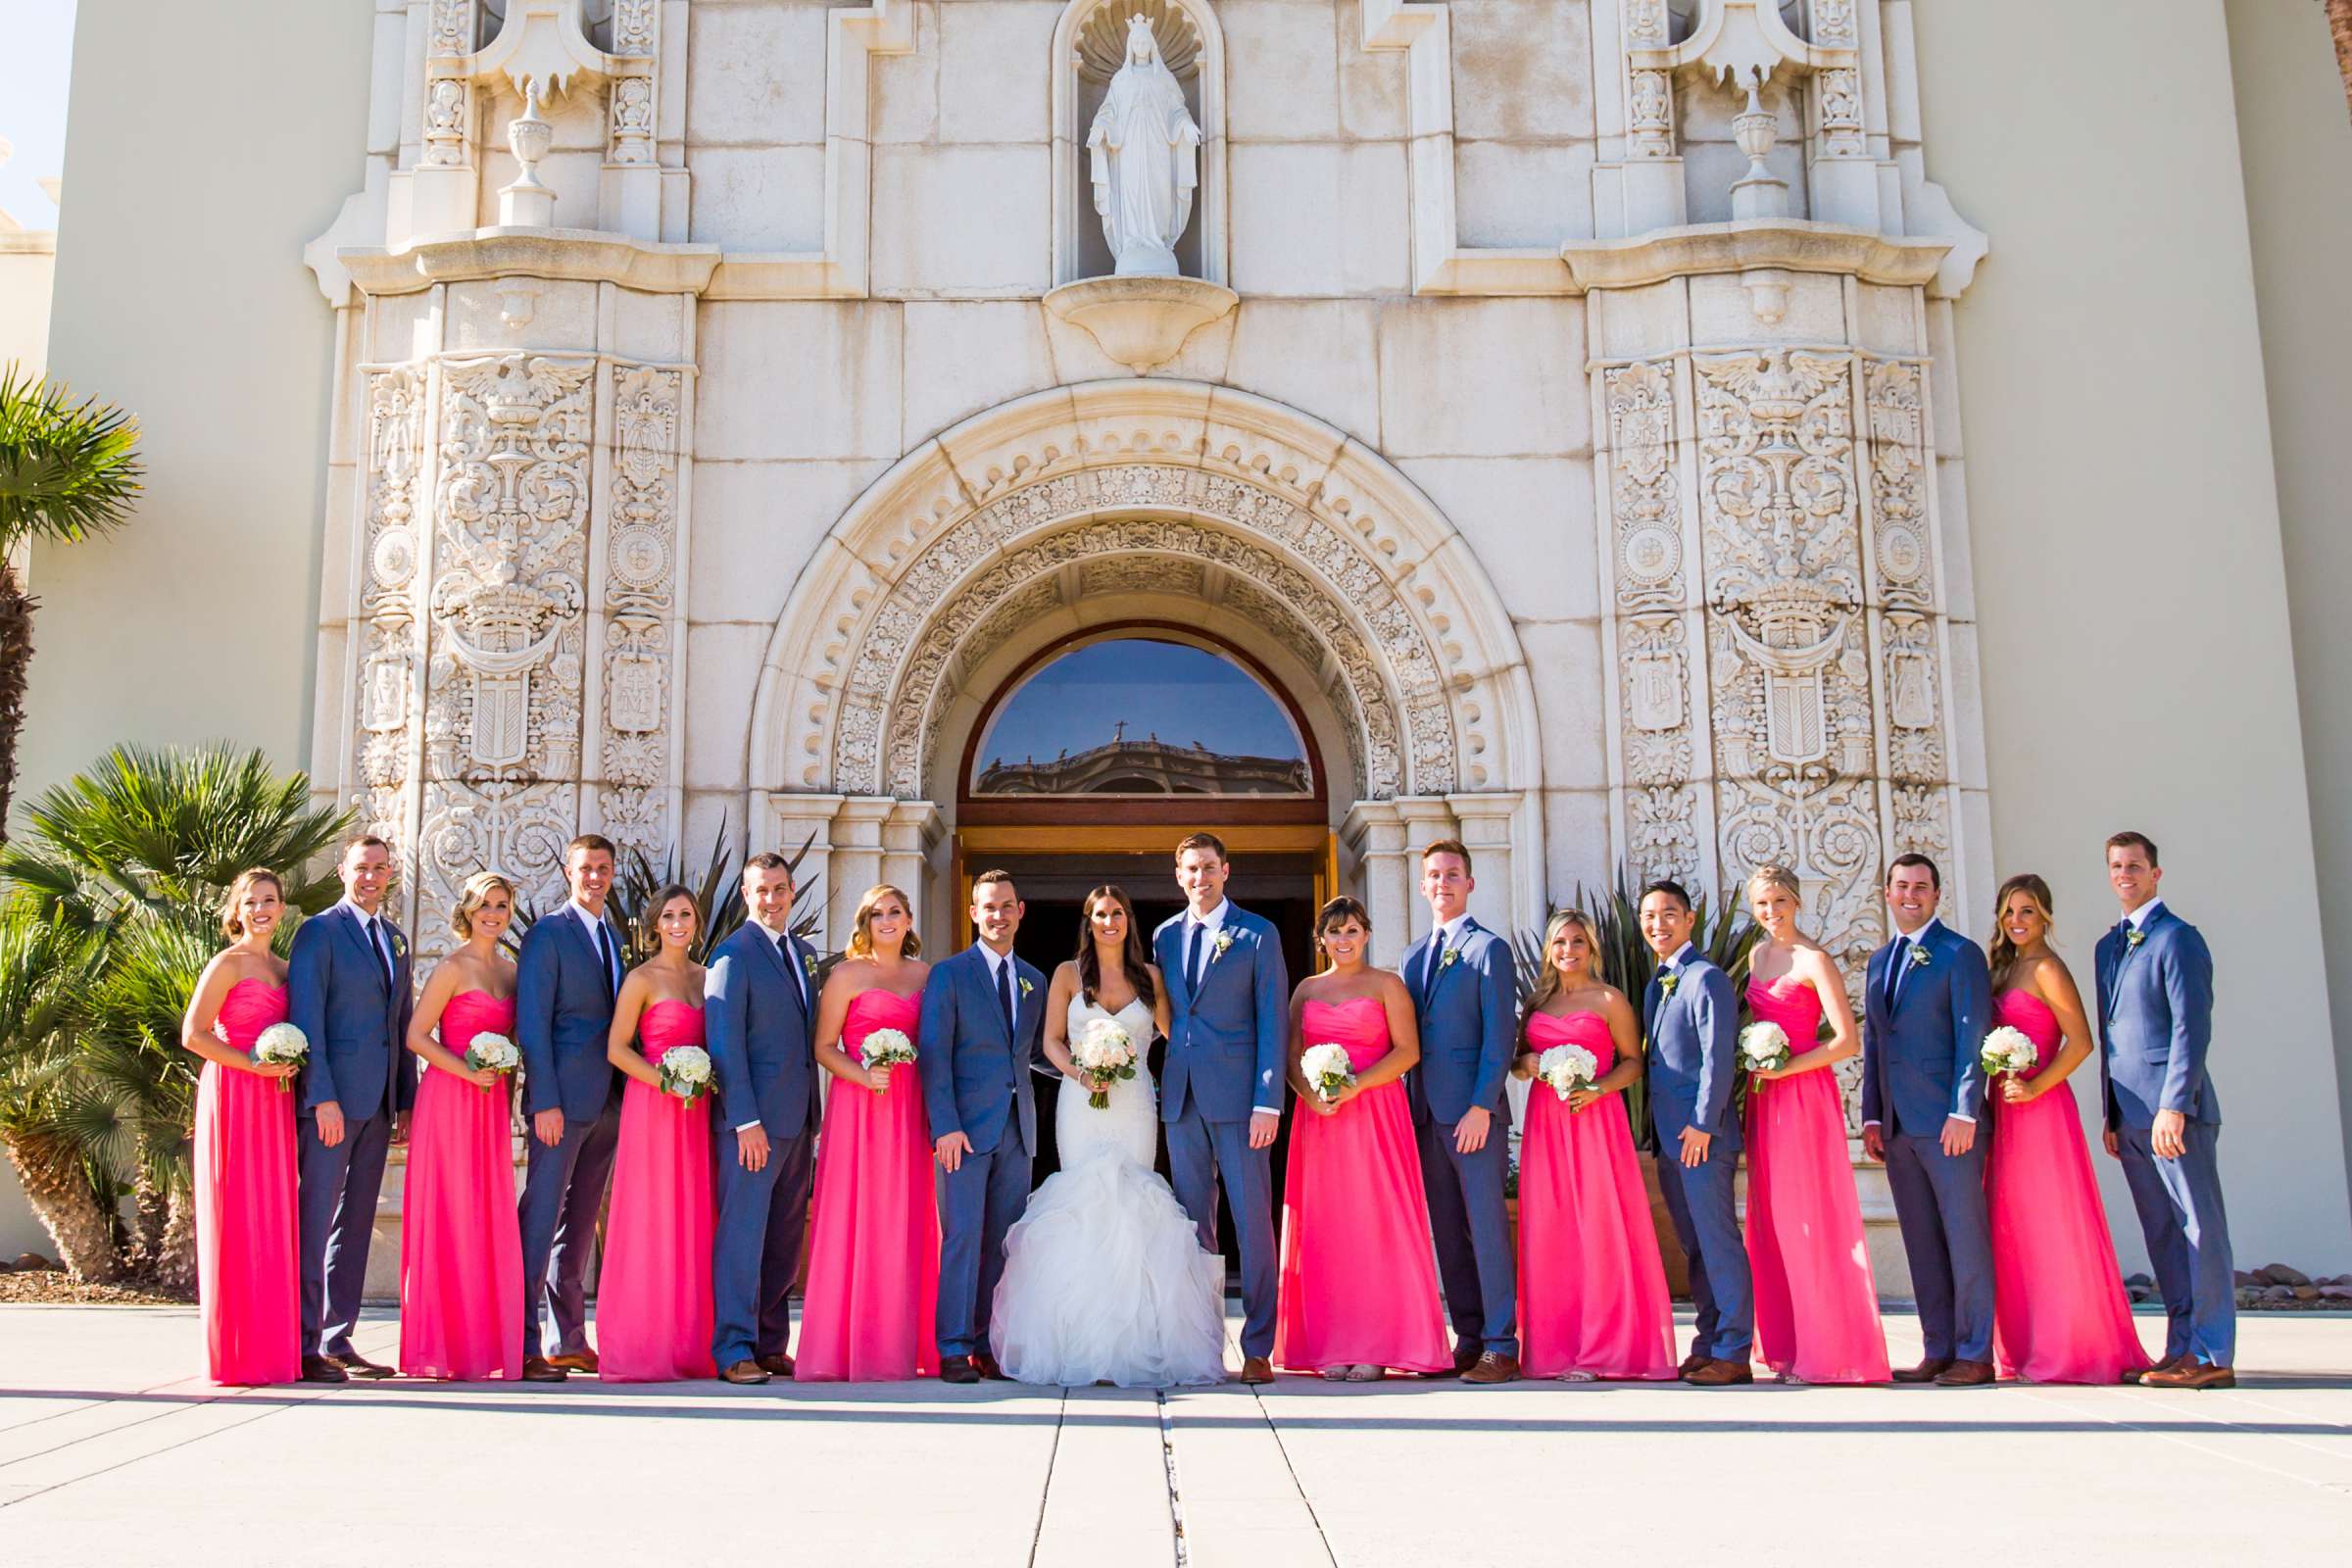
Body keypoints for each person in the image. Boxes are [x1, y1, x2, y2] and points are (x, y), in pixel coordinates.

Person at [991, 885, 1226, 1388]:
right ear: (1088, 920)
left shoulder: (1151, 977)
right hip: (1081, 1104)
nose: (1109, 921)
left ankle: (1138, 1341)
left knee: (1133, 1203)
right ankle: (1078, 1339)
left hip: (1135, 1102)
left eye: (1118, 912)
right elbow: (1051, 1041)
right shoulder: (1067, 975)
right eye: (1100, 913)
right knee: (1084, 1204)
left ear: (1128, 920)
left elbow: (1172, 1032)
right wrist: (1081, 1072)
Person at [1984, 872, 2150, 1385]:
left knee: (2050, 1223)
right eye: (2009, 912)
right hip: (2006, 1108)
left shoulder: (2048, 969)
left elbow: (2079, 1042)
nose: (2016, 921)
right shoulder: (2003, 969)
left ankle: (2071, 1345)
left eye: (2027, 911)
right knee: (2012, 1228)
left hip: (2041, 1110)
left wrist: (2034, 1088)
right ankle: (2027, 1343)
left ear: (2045, 917)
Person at [1274, 898, 1448, 1381]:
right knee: (1328, 1227)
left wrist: (1357, 1084)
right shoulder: (1305, 991)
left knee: (1377, 1223)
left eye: (1351, 930)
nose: (1343, 940)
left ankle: (1379, 1341)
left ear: (1366, 934)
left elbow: (1408, 1051)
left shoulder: (1388, 985)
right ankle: (1331, 1343)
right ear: (1321, 940)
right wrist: (1310, 1094)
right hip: (1322, 1122)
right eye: (1333, 933)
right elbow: (1291, 1056)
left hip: (1375, 1114)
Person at [1511, 908, 1675, 1382]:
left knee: (1598, 1229)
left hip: (1594, 1124)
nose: (1568, 951)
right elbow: (1519, 1060)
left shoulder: (1609, 1000)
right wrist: (1531, 1064)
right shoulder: (1536, 1003)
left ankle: (1603, 1348)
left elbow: (1633, 1062)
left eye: (1578, 942)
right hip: (1546, 1127)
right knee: (1551, 1230)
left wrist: (1600, 1088)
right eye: (1560, 942)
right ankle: (1554, 1350)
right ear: (1549, 949)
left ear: (1592, 948)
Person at [2095, 832, 2234, 1389]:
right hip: (2128, 1116)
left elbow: (2191, 1028)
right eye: (2115, 866)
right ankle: (2180, 1348)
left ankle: (2212, 1353)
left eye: (2134, 865)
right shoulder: (2109, 946)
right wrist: (2110, 1114)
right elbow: (2113, 1036)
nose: (2124, 874)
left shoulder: (2178, 938)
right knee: (2162, 1234)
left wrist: (2174, 1105)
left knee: (2199, 1229)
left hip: (2174, 1114)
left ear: (2155, 874)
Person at [1741, 865, 1890, 1386]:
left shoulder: (1814, 960)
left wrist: (1787, 1067)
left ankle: (1825, 1347)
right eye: (1762, 903)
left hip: (1803, 1098)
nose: (1771, 911)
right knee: (1774, 1220)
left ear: (1796, 902)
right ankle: (1785, 1343)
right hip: (1764, 1101)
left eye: (1780, 900)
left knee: (1808, 1216)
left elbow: (1847, 1042)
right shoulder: (1757, 957)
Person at [1152, 833, 1289, 1386]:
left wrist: (1268, 1100)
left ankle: (1258, 1345)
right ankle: (1202, 1340)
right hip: (1181, 1097)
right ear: (1178, 874)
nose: (1199, 877)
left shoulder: (1257, 934)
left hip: (1240, 1100)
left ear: (1226, 871)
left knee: (1251, 1221)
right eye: (1190, 869)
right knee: (1193, 1224)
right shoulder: (1163, 936)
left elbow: (1272, 1021)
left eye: (1208, 867)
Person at [1861, 853, 1996, 1387]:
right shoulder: (1879, 961)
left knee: (1964, 1238)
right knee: (1921, 1240)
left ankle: (1975, 1351)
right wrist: (1873, 1115)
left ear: (1937, 895)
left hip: (1949, 1124)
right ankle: (1938, 1347)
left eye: (1921, 886)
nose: (1910, 895)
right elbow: (1876, 1042)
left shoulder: (1958, 954)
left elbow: (1973, 1034)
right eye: (1901, 886)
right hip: (1896, 1128)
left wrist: (1965, 1108)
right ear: (1888, 893)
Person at [286, 835, 415, 1383]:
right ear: (343, 870)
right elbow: (307, 1018)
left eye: (381, 868)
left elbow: (401, 1024)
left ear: (391, 875)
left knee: (356, 1223)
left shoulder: (395, 938)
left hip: (379, 1105)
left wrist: (404, 1100)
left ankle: (340, 1337)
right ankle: (301, 1340)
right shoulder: (319, 933)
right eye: (362, 867)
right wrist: (322, 1098)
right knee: (315, 1220)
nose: (371, 877)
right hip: (333, 1105)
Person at [799, 884, 939, 1383]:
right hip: (860, 1108)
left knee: (904, 1214)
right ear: (865, 921)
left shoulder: (927, 975)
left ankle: (901, 1342)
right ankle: (846, 1343)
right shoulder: (847, 975)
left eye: (895, 911)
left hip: (908, 1107)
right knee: (856, 1214)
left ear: (907, 920)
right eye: (877, 913)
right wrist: (862, 1074)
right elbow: (823, 1045)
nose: (886, 920)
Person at [919, 869, 1049, 1384]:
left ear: (1020, 912)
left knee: (1001, 1241)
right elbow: (935, 1054)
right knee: (962, 1238)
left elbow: (1035, 1054)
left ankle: (986, 1343)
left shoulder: (1033, 980)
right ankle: (952, 1345)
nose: (998, 915)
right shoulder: (949, 975)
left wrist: (1091, 1067)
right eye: (988, 907)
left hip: (1019, 1132)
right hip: (964, 1133)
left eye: (1007, 906)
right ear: (973, 913)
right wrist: (944, 1126)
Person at [1398, 840, 1520, 1383]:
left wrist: (1481, 1106)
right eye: (1433, 876)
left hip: (1473, 1116)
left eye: (1452, 875)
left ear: (1470, 884)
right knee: (1447, 1231)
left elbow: (1500, 1036)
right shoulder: (1412, 955)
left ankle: (1502, 1344)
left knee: (1486, 1228)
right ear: (1422, 886)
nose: (1442, 884)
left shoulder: (1488, 950)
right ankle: (1468, 1339)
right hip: (1425, 1113)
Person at [397, 871, 525, 1382]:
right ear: (468, 910)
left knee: (483, 1212)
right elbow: (416, 1036)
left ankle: (482, 1341)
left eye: (502, 904)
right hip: (449, 1100)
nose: (493, 913)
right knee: (449, 1210)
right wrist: (466, 1070)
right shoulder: (451, 967)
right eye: (485, 904)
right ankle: (443, 1345)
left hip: (490, 1104)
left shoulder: (513, 973)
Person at [705, 852, 825, 1385]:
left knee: (781, 1237)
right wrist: (744, 1120)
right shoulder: (732, 955)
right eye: (761, 891)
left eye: (779, 889)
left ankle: (772, 1342)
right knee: (743, 1235)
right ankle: (734, 1347)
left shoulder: (803, 953)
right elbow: (725, 1045)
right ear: (746, 895)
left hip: (798, 1119)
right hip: (753, 1126)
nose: (771, 900)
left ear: (792, 890)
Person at [181, 868, 302, 1386]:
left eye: (270, 900)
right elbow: (193, 1034)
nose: (261, 909)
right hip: (233, 1093)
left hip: (274, 1100)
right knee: (236, 1214)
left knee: (271, 1213)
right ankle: (234, 1352)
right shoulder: (226, 964)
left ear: (282, 907)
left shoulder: (285, 967)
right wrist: (251, 1065)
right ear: (237, 910)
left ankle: (272, 1350)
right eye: (251, 901)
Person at [514, 834, 626, 1383]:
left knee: (579, 1226)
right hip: (561, 1105)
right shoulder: (547, 935)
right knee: (539, 1221)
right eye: (585, 868)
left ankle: (568, 1340)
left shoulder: (613, 935)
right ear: (568, 870)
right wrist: (546, 1101)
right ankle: (521, 1339)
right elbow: (532, 1023)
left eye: (602, 868)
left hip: (608, 1102)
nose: (594, 877)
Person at [599, 885, 718, 1383]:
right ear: (654, 924)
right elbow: (617, 1049)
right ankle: (641, 1341)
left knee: (693, 1217)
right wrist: (667, 1081)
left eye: (685, 914)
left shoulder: (709, 978)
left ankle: (689, 1343)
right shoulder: (641, 979)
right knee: (651, 1218)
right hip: (653, 1107)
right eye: (668, 915)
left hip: (698, 1113)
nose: (677, 923)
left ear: (697, 921)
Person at [1640, 879, 1753, 1386]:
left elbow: (1717, 1057)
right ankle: (1708, 1341)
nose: (1657, 924)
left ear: (1689, 921)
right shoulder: (1655, 983)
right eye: (1649, 916)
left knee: (1718, 1241)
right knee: (1695, 1246)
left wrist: (1703, 1124)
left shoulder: (1705, 978)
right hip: (1669, 1139)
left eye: (1668, 914)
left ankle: (1733, 1350)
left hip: (1701, 1136)